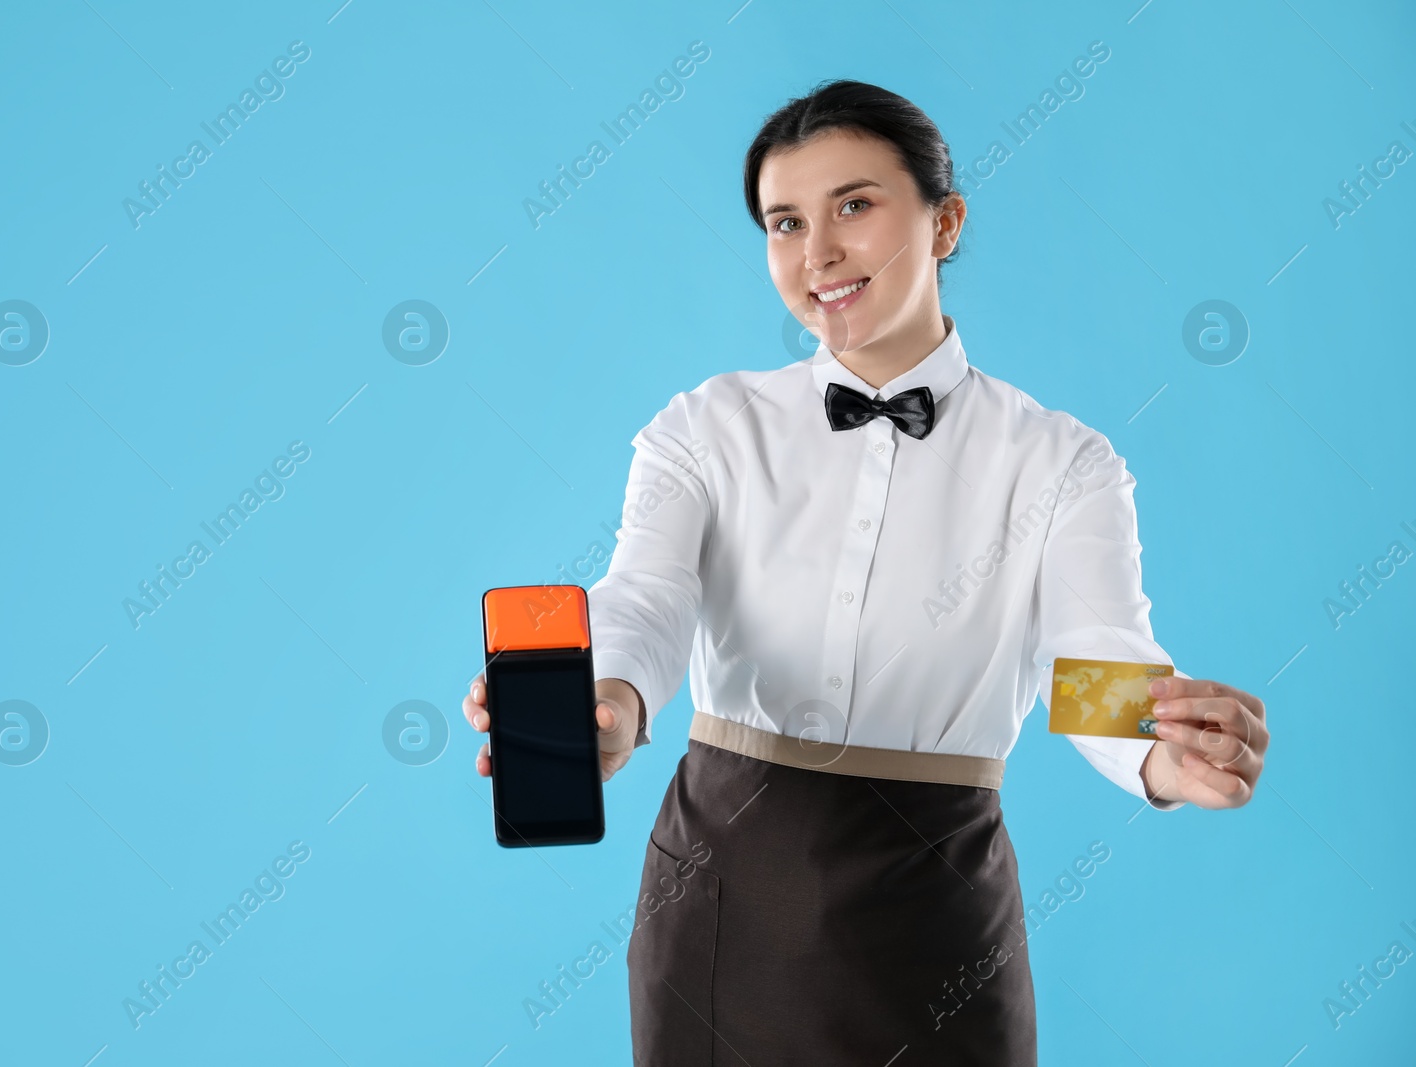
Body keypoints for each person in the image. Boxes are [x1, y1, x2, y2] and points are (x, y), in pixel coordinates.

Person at [462, 79, 1269, 1065]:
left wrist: (1161, 751)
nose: (817, 255)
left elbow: (1089, 655)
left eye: (854, 205)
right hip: (719, 883)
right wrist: (609, 707)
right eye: (783, 222)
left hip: (935, 899)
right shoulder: (703, 426)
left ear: (944, 221)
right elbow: (646, 598)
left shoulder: (1061, 460)